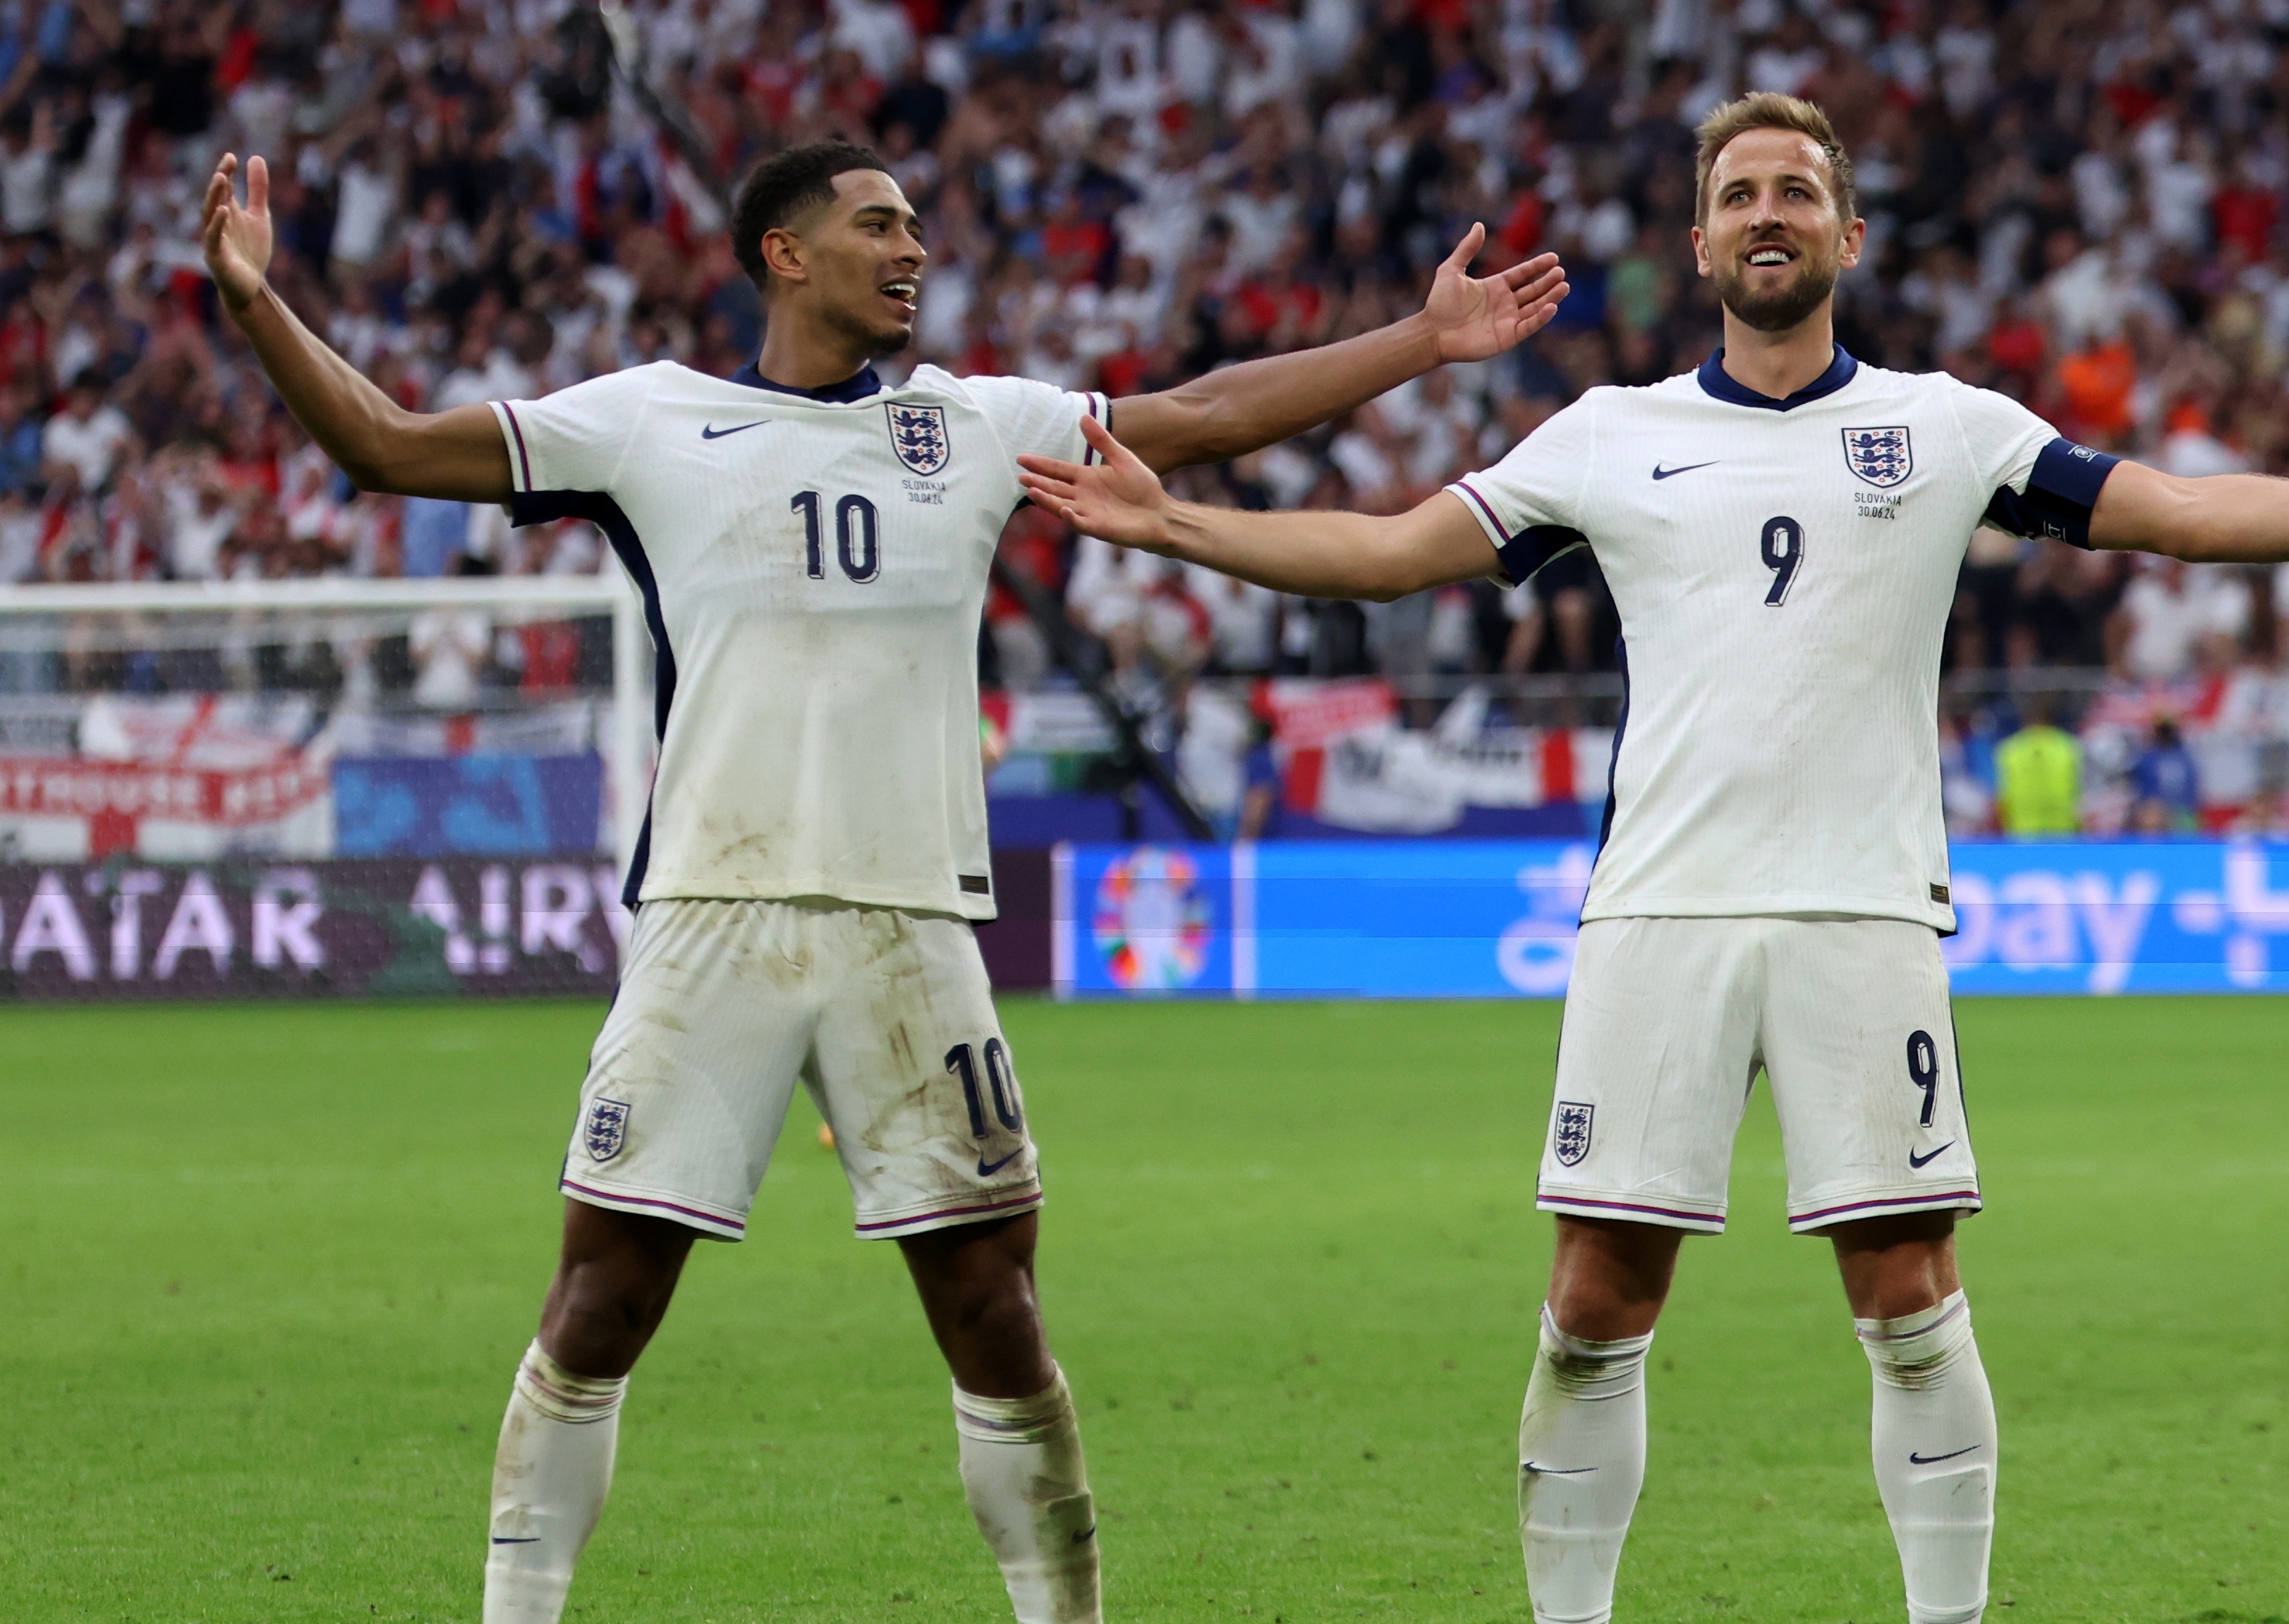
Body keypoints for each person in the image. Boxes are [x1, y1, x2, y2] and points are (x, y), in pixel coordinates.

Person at [1018, 92, 2289, 1624]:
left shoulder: (1952, 424)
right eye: (1742, 194)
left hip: (1863, 911)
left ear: (1849, 230)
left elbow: (2170, 509)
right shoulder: (1611, 435)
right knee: (1591, 1303)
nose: (1770, 213)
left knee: (1908, 1295)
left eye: (1797, 191)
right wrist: (1176, 530)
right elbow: (1381, 551)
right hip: (1659, 915)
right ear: (1700, 244)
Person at [200, 140, 1565, 1624]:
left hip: (915, 927)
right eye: (877, 224)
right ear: (786, 255)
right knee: (601, 1300)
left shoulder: (977, 425)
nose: (912, 244)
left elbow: (1200, 414)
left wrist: (1424, 342)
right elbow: (390, 445)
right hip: (711, 921)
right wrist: (260, 303)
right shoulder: (650, 418)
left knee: (993, 1307)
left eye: (915, 221)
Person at [1993, 693, 2080, 836]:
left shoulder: (2009, 749)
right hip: (2063, 830)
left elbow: (2001, 796)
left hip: (2022, 832)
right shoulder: (2069, 747)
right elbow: (2080, 790)